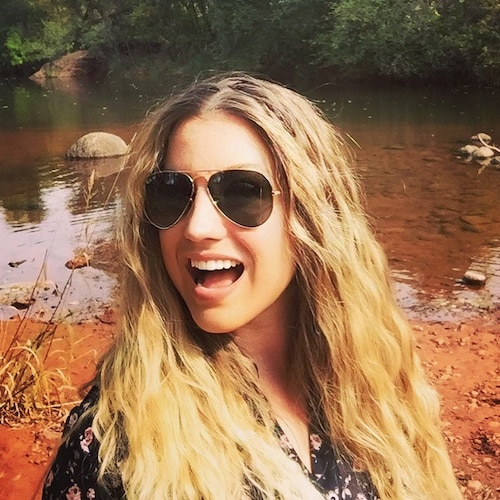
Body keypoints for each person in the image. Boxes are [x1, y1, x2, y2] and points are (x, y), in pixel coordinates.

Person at [42, 73, 462, 499]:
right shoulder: (112, 450)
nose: (197, 227)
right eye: (171, 193)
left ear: (313, 214)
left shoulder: (377, 385)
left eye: (242, 192)